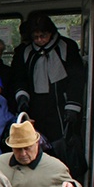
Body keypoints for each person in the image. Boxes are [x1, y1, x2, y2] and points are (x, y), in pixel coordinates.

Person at [11, 13, 86, 146]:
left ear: (51, 32)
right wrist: (22, 97)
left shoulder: (67, 46)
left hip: (62, 105)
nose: (39, 40)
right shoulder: (25, 52)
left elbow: (77, 78)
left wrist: (73, 106)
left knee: (63, 143)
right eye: (35, 37)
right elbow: (20, 78)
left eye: (43, 36)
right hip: (36, 105)